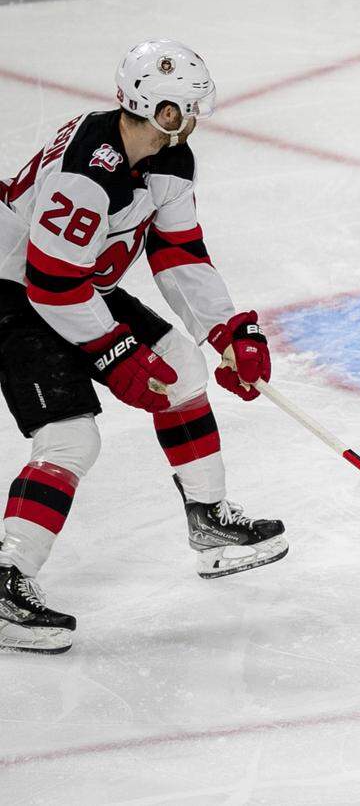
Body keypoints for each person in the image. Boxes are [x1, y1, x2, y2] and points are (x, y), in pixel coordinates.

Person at [0, 39, 286, 654]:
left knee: (182, 367)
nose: (193, 120)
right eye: (184, 109)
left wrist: (226, 330)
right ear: (156, 109)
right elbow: (49, 285)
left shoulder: (168, 160)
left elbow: (179, 251)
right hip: (14, 293)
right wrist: (115, 351)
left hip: (75, 284)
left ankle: (209, 521)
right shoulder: (87, 172)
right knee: (71, 437)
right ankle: (7, 578)